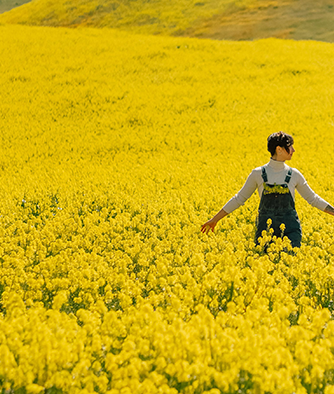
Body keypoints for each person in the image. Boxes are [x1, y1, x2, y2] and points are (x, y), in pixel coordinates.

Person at [201, 131, 334, 248]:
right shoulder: (258, 174)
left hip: (290, 231)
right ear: (279, 149)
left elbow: (313, 199)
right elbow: (239, 199)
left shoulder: (294, 175)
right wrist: (215, 219)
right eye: (290, 147)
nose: (293, 150)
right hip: (265, 231)